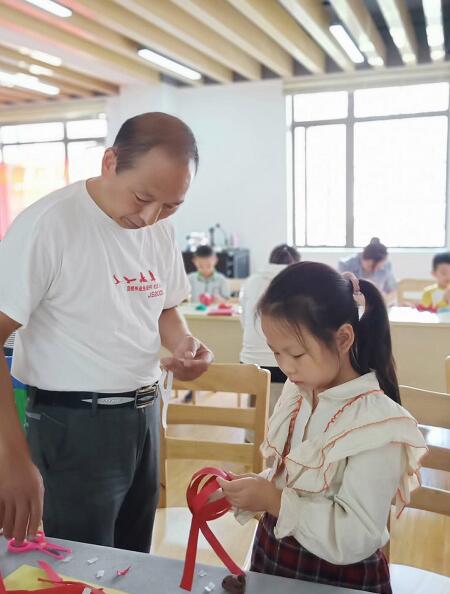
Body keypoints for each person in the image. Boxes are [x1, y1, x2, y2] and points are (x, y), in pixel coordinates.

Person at [0, 112, 213, 551]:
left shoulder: (160, 229)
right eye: (143, 197)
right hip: (73, 425)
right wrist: (12, 457)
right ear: (110, 162)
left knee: (133, 561)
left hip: (145, 416)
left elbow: (164, 307)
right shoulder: (50, 224)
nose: (150, 217)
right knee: (80, 563)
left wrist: (183, 343)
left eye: (171, 205)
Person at [218, 262, 426, 593]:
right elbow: (296, 478)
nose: (285, 367)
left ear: (343, 338)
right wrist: (258, 487)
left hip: (339, 580)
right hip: (276, 562)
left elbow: (355, 535)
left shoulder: (378, 425)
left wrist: (274, 500)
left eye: (296, 354)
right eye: (276, 352)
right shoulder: (299, 392)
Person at [240, 244, 300, 424]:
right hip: (283, 365)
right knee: (285, 414)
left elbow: (244, 321)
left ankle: (252, 436)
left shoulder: (251, 281)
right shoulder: (298, 281)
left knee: (256, 412)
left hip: (249, 362)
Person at [338, 238, 397, 304]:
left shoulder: (386, 266)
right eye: (370, 266)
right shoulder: (346, 265)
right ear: (362, 257)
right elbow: (342, 293)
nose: (374, 271)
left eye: (378, 268)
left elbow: (393, 291)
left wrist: (382, 301)